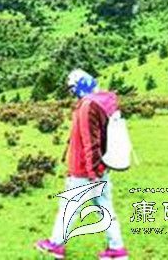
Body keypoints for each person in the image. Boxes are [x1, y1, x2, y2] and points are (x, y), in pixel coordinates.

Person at [36, 70, 129, 260]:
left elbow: (90, 142)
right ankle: (117, 249)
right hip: (100, 167)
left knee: (70, 207)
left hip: (85, 170)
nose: (72, 93)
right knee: (105, 208)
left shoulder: (87, 106)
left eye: (72, 88)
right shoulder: (101, 102)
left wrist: (92, 172)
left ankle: (56, 245)